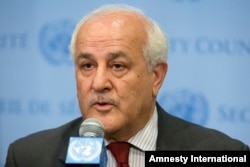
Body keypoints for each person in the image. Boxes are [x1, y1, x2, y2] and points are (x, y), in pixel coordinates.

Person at [5, 4, 249, 167]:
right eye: (87, 66)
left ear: (156, 77)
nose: (99, 83)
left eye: (117, 66)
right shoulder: (28, 157)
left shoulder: (221, 154)